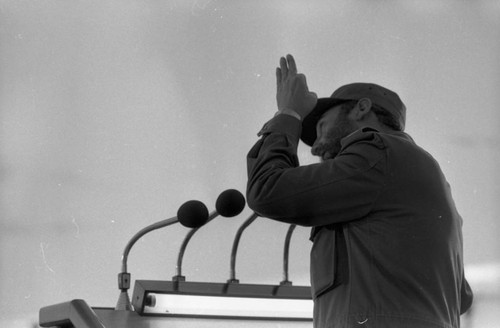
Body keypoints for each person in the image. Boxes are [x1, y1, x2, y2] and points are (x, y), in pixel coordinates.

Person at [246, 54, 473, 328]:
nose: (316, 145)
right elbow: (463, 298)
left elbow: (267, 190)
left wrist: (288, 114)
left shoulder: (376, 152)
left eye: (321, 126)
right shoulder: (420, 178)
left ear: (361, 108)